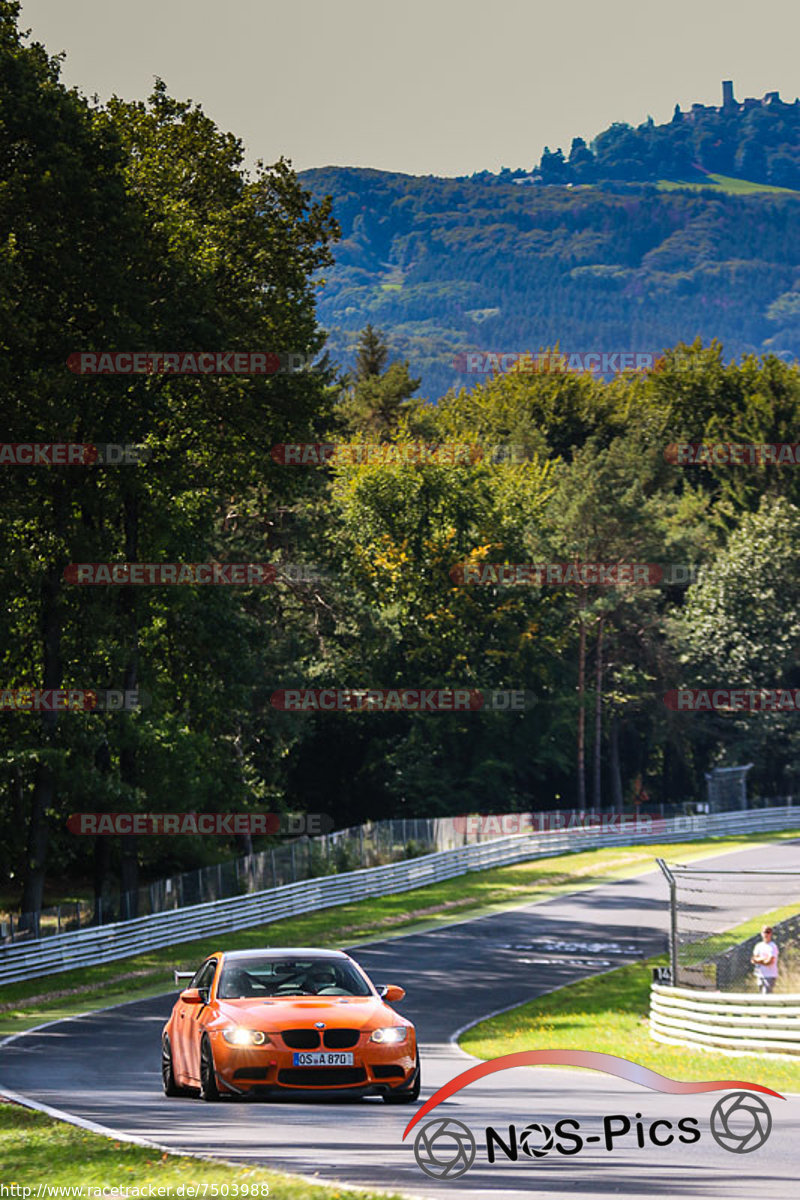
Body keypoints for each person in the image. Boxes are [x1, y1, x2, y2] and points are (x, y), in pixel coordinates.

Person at [751, 925, 779, 994]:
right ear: (761, 933)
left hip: (769, 975)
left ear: (771, 934)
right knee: (761, 994)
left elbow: (769, 962)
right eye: (764, 932)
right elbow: (753, 959)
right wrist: (763, 959)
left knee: (766, 994)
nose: (766, 934)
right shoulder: (759, 946)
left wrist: (759, 960)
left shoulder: (772, 946)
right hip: (760, 974)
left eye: (768, 932)